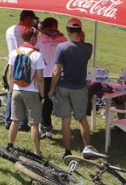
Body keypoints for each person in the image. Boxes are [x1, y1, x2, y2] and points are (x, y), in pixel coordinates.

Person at [49, 17, 95, 158]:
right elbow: (84, 54)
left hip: (63, 86)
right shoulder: (88, 47)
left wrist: (51, 89)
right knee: (82, 119)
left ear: (68, 30)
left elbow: (56, 71)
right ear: (80, 30)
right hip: (80, 88)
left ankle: (67, 151)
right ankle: (88, 149)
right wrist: (83, 40)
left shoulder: (62, 47)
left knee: (66, 120)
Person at [7, 27, 45, 155]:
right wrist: (42, 94)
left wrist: (11, 89)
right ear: (33, 37)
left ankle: (10, 145)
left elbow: (11, 74)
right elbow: (40, 78)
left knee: (15, 120)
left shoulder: (14, 52)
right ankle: (37, 151)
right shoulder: (37, 55)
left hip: (16, 90)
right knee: (34, 123)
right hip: (31, 91)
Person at [4, 10, 37, 129]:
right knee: (24, 91)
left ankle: (8, 120)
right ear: (28, 18)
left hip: (12, 61)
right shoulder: (27, 31)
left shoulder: (9, 30)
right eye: (32, 19)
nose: (33, 22)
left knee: (12, 91)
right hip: (25, 64)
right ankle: (22, 122)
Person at [36, 17, 66, 139]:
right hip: (58, 74)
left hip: (43, 73)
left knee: (41, 101)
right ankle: (46, 127)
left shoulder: (39, 38)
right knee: (50, 102)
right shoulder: (63, 39)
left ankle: (43, 126)